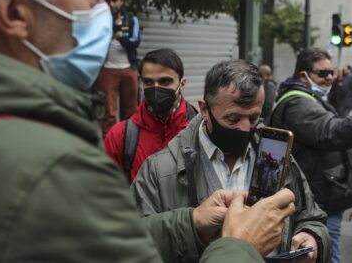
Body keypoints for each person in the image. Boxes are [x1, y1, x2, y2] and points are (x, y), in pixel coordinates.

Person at [0, 0, 300, 261]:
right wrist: (240, 246)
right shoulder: (53, 169)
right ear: (12, 10)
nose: (100, 7)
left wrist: (188, 225)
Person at [132, 59, 330, 263]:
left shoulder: (277, 157)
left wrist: (313, 238)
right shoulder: (159, 171)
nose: (245, 128)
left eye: (253, 118)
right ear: (204, 109)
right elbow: (132, 245)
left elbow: (312, 217)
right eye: (233, 119)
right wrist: (193, 228)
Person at [269, 48, 352, 263]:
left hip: (322, 199)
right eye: (322, 73)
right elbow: (329, 130)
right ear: (303, 75)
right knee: (328, 255)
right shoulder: (297, 104)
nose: (329, 77)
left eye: (332, 72)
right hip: (317, 204)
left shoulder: (309, 99)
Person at [105, 48, 197, 182]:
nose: (156, 88)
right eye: (148, 82)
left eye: (165, 82)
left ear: (182, 84)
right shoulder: (119, 136)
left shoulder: (201, 130)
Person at [96, 0, 141, 134]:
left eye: (115, 0)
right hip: (107, 69)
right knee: (109, 113)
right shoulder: (99, 20)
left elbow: (135, 42)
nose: (111, 4)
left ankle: (127, 144)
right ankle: (108, 147)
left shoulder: (131, 20)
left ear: (122, 1)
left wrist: (119, 35)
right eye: (108, 1)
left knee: (130, 112)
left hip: (129, 68)